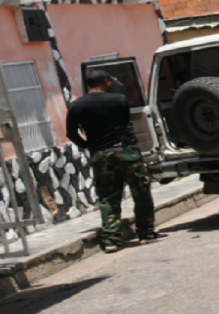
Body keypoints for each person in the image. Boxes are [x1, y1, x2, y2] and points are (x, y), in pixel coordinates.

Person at [67, 70, 166, 253]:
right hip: (125, 151)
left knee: (108, 198)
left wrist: (89, 145)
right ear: (106, 82)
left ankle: (112, 240)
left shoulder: (76, 106)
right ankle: (146, 233)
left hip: (100, 155)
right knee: (141, 192)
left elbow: (71, 133)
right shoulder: (118, 100)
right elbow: (125, 122)